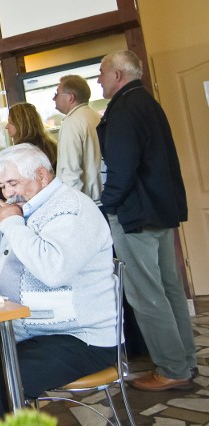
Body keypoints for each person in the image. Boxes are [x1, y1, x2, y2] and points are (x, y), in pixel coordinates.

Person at [0, 143, 117, 416]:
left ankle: (2, 406)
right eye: (2, 186)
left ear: (41, 175)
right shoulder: (31, 206)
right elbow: (1, 264)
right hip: (31, 330)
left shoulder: (71, 208)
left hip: (79, 337)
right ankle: (2, 414)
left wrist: (13, 223)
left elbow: (52, 270)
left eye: (13, 183)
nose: (7, 193)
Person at [97, 49, 197, 391]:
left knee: (148, 296)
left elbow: (122, 170)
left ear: (118, 75)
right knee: (170, 291)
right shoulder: (149, 103)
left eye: (102, 73)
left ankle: (171, 368)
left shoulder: (123, 110)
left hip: (135, 215)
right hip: (162, 211)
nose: (99, 80)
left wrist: (105, 207)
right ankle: (184, 361)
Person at [54, 75, 103, 203]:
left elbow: (71, 171)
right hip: (103, 196)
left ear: (70, 97)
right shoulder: (96, 116)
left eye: (57, 94)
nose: (54, 98)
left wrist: (71, 205)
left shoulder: (71, 122)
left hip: (87, 201)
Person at [6, 102, 58, 170]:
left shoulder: (23, 151)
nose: (6, 126)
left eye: (10, 122)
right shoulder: (49, 145)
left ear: (21, 124)